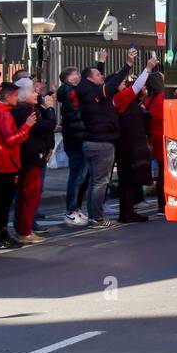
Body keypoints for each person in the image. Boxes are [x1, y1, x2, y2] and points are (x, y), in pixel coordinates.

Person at [75, 49, 136, 228]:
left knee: (94, 181)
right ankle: (97, 218)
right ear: (89, 79)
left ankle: (91, 213)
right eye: (98, 74)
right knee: (100, 182)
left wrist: (100, 62)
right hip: (101, 143)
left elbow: (100, 80)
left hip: (93, 141)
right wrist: (128, 65)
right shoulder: (93, 94)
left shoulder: (87, 90)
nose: (101, 76)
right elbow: (109, 84)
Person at [0, 82, 37, 250]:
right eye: (16, 95)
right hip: (6, 164)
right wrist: (26, 126)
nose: (18, 98)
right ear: (10, 95)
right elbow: (11, 140)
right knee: (2, 205)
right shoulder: (4, 114)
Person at [10, 80, 57, 243]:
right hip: (29, 158)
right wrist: (50, 108)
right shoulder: (24, 111)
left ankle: (25, 228)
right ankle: (24, 231)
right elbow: (48, 125)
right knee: (29, 195)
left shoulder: (29, 109)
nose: (36, 94)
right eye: (32, 91)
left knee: (30, 195)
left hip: (34, 156)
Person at [112, 57, 157, 223]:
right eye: (121, 82)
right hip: (128, 145)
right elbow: (137, 86)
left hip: (131, 143)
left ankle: (128, 210)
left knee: (130, 180)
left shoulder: (123, 98)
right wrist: (148, 68)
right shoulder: (119, 98)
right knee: (128, 180)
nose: (125, 83)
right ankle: (126, 212)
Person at [56, 59, 95, 226]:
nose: (79, 76)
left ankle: (76, 208)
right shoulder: (71, 93)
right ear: (68, 79)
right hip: (76, 139)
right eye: (75, 74)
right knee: (76, 176)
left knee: (81, 176)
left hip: (78, 137)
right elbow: (78, 113)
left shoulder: (72, 92)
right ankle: (71, 210)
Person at [145, 70, 166, 202]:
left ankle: (160, 204)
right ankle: (163, 201)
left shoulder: (148, 100)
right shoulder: (163, 97)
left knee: (161, 170)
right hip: (165, 136)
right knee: (165, 171)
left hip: (154, 137)